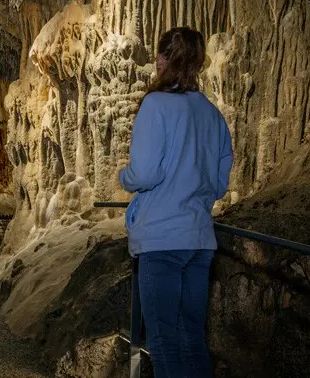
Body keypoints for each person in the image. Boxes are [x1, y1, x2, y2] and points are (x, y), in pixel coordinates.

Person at [119, 27, 233, 378]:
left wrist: (125, 176)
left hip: (162, 240)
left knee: (165, 342)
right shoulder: (213, 115)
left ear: (162, 60)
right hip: (199, 242)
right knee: (192, 339)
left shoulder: (156, 105)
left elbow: (146, 172)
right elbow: (217, 185)